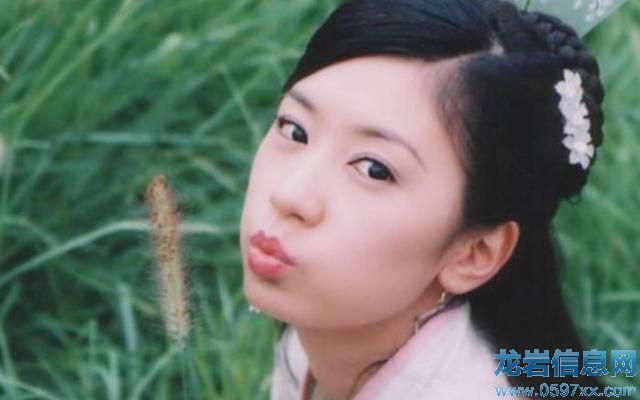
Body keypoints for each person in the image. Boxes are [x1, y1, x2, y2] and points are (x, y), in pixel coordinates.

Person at [238, 0, 608, 398]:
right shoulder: (323, 332)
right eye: (294, 130)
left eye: (374, 169)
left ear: (474, 253)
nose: (289, 194)